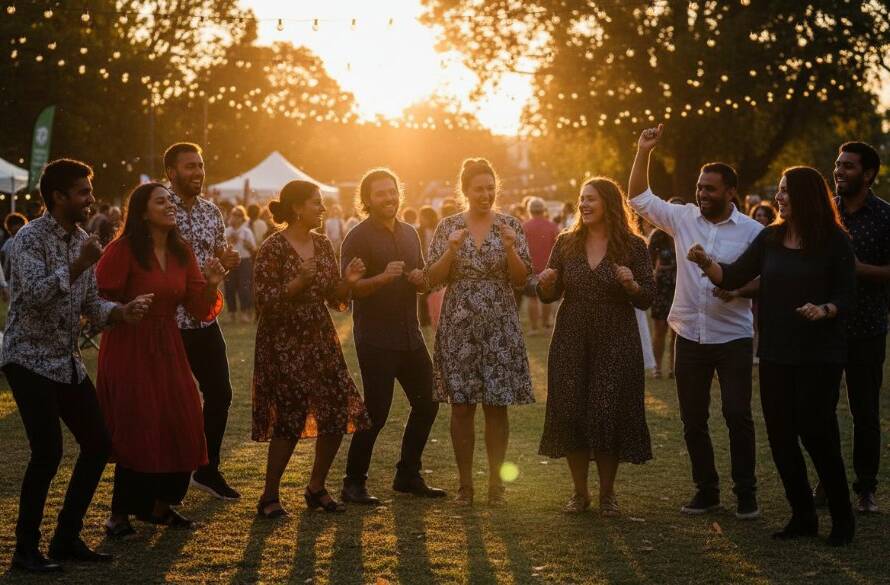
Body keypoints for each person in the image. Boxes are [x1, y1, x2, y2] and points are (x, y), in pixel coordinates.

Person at [689, 165, 857, 546]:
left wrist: (825, 309)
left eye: (785, 191)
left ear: (806, 197)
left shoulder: (834, 241)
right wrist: (705, 263)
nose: (778, 197)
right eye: (779, 190)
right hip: (776, 351)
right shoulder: (770, 238)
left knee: (816, 432)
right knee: (780, 436)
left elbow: (848, 294)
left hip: (820, 353)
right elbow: (732, 277)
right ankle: (802, 515)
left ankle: (843, 517)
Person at [2, 159, 150, 572]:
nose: (90, 199)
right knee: (47, 453)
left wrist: (121, 311)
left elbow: (88, 305)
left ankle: (66, 537)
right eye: (82, 192)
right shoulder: (28, 240)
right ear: (58, 197)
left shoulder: (82, 239)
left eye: (90, 191)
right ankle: (25, 550)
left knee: (99, 444)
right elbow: (31, 296)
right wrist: (81, 263)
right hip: (27, 357)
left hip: (65, 360)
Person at [628, 125, 763, 519]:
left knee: (738, 414)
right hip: (688, 334)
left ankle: (747, 493)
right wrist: (643, 151)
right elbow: (638, 197)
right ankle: (707, 491)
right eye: (700, 187)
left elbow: (767, 279)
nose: (702, 194)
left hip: (732, 337)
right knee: (693, 419)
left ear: (731, 193)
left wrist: (738, 289)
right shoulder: (682, 219)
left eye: (711, 189)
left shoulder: (754, 232)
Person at [97, 183, 227, 536]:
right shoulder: (123, 249)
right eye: (160, 201)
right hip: (130, 343)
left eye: (170, 200)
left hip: (168, 343)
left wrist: (212, 283)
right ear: (142, 212)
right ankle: (119, 514)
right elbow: (97, 297)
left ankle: (161, 506)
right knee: (138, 422)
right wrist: (123, 310)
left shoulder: (181, 251)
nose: (170, 205)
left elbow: (200, 308)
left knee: (183, 417)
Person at [253, 180, 371, 517]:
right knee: (289, 417)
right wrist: (297, 283)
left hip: (318, 336)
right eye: (316, 203)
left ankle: (316, 487)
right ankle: (269, 496)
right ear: (296, 208)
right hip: (282, 340)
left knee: (336, 412)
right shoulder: (273, 247)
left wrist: (347, 281)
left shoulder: (322, 244)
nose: (323, 208)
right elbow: (262, 300)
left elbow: (335, 298)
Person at [537, 177, 655, 515]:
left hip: (616, 339)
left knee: (606, 411)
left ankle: (607, 494)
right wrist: (545, 284)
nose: (584, 205)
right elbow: (550, 294)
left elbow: (648, 298)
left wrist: (631, 285)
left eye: (591, 199)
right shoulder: (566, 243)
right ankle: (579, 493)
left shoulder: (633, 247)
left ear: (609, 203)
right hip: (571, 337)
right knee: (572, 411)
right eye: (581, 199)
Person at [425, 158, 534, 505]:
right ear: (465, 191)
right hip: (459, 323)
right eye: (478, 189)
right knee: (461, 406)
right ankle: (465, 486)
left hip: (499, 321)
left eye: (490, 188)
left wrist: (511, 248)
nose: (485, 194)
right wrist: (452, 250)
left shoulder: (510, 225)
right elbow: (432, 278)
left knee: (496, 405)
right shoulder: (448, 227)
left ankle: (495, 487)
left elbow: (522, 279)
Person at [338, 168, 446, 505]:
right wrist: (383, 278)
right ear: (368, 199)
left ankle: (407, 474)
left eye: (393, 191)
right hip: (375, 337)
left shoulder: (411, 233)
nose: (389, 198)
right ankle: (353, 482)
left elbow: (426, 280)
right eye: (381, 193)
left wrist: (420, 279)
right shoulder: (357, 237)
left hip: (410, 335)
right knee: (377, 411)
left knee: (428, 403)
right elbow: (349, 291)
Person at [164, 142, 241, 501]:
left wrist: (227, 260)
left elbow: (217, 259)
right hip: (169, 321)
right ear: (172, 172)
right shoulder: (160, 208)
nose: (197, 172)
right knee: (171, 404)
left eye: (200, 166)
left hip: (204, 319)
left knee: (221, 393)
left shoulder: (212, 212)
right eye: (189, 167)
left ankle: (207, 470)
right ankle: (164, 482)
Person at [829, 141, 889, 514]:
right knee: (820, 408)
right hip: (824, 326)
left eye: (848, 166)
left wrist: (855, 268)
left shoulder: (885, 218)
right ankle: (827, 480)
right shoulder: (825, 213)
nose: (839, 171)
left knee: (865, 412)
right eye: (837, 165)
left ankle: (865, 488)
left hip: (867, 327)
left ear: (867, 174)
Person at [648, 197, 685, 378]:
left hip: (681, 288)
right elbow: (647, 263)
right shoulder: (657, 235)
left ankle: (673, 367)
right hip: (661, 288)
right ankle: (657, 367)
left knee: (677, 331)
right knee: (660, 329)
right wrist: (656, 270)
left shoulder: (687, 233)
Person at [522, 197, 560, 334]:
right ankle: (545, 326)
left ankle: (533, 328)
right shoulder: (552, 226)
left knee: (532, 298)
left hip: (530, 268)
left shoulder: (524, 226)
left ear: (529, 210)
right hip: (548, 268)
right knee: (546, 298)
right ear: (543, 210)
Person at [224, 205, 257, 323]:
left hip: (244, 261)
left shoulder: (247, 231)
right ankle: (231, 313)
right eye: (233, 214)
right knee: (229, 287)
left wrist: (244, 242)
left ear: (242, 218)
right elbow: (220, 248)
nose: (234, 217)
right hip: (230, 261)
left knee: (244, 287)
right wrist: (229, 241)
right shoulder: (226, 231)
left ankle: (245, 313)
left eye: (237, 215)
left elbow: (253, 249)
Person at [417, 206, 439, 328]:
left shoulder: (438, 229)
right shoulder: (418, 231)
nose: (421, 219)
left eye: (423, 216)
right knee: (424, 294)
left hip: (436, 265)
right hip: (423, 265)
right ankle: (424, 320)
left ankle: (435, 318)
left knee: (436, 293)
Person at [1, 212, 28, 277]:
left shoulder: (27, 240)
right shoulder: (8, 243)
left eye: (19, 224)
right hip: (10, 278)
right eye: (14, 225)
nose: (17, 227)